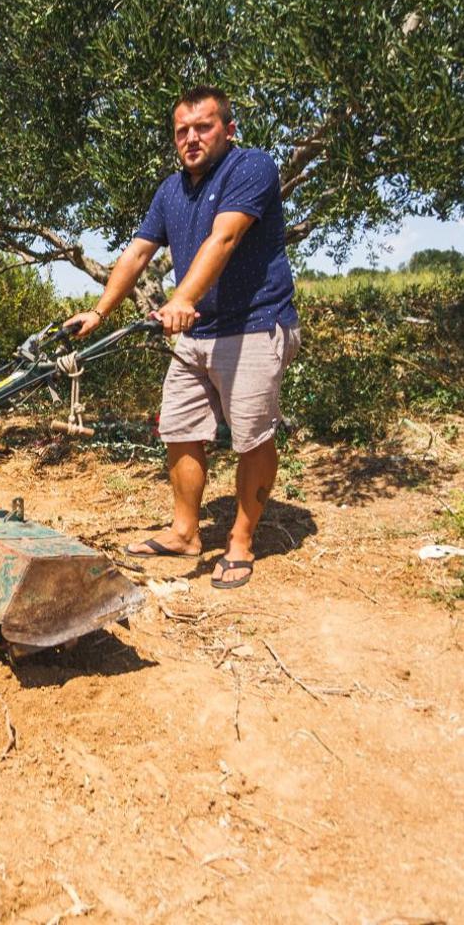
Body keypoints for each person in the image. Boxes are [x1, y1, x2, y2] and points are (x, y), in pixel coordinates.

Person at [64, 85, 300, 589]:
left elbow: (226, 237)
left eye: (203, 127)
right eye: (182, 131)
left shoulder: (251, 168)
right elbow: (137, 253)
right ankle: (185, 532)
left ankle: (240, 541)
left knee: (252, 437)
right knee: (179, 427)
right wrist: (100, 312)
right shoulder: (171, 190)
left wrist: (182, 299)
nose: (191, 139)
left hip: (254, 325)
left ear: (228, 129)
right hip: (199, 333)